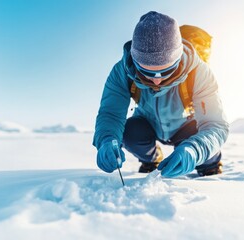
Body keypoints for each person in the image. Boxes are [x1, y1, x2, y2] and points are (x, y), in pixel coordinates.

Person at [93, 11, 229, 178]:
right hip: (147, 123)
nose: (157, 81)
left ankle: (210, 166)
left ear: (178, 60)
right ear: (135, 62)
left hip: (186, 126)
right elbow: (111, 114)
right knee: (129, 133)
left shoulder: (199, 72)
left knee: (201, 142)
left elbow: (215, 124)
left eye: (166, 71)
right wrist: (106, 139)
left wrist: (195, 150)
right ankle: (151, 159)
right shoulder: (122, 71)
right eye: (146, 72)